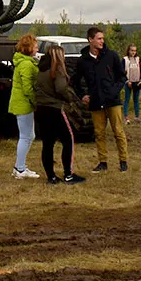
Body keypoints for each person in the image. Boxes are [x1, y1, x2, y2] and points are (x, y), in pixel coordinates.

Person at [73, 26, 130, 173]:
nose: (102, 41)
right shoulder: (83, 61)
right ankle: (102, 162)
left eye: (102, 38)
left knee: (118, 132)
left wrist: (114, 91)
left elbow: (122, 77)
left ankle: (123, 161)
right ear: (90, 40)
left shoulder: (111, 56)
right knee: (99, 133)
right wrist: (82, 95)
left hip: (113, 101)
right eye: (99, 38)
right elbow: (74, 81)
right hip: (96, 102)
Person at [34, 43, 85, 184]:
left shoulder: (41, 70)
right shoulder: (57, 70)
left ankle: (51, 176)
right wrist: (69, 98)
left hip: (41, 109)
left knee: (47, 144)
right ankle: (68, 174)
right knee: (68, 140)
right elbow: (61, 88)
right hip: (55, 109)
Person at [8, 33, 40, 179]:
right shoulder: (26, 65)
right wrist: (35, 102)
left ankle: (19, 166)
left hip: (21, 103)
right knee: (26, 137)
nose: (37, 48)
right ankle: (20, 169)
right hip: (24, 105)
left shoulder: (24, 62)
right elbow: (28, 88)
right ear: (29, 48)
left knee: (28, 136)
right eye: (35, 46)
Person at [122, 43, 141, 124]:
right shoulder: (125, 59)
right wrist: (127, 81)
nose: (133, 52)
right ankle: (126, 117)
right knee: (127, 99)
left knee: (136, 100)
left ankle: (137, 117)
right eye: (132, 50)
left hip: (137, 82)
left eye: (135, 50)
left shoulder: (138, 59)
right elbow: (122, 72)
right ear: (128, 50)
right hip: (128, 82)